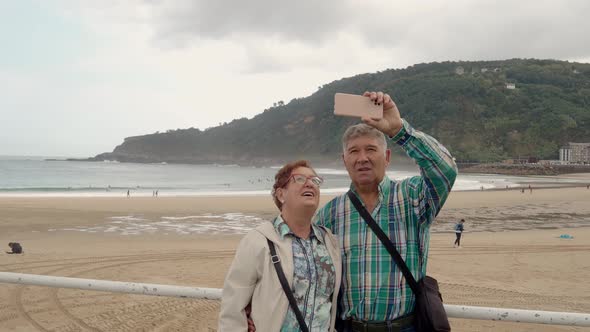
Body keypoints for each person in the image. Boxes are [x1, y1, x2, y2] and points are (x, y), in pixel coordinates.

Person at [314, 91, 458, 331]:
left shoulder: (413, 197)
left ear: (387, 156)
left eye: (371, 149)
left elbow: (445, 170)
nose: (362, 158)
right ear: (344, 160)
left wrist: (398, 129)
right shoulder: (330, 213)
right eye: (354, 152)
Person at [219, 160, 342, 331]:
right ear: (281, 194)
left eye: (315, 181)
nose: (310, 184)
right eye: (299, 179)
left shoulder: (329, 241)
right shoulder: (259, 240)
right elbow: (233, 305)